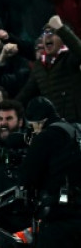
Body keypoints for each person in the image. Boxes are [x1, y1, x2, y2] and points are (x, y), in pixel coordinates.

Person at [19, 97, 81, 246]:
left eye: (33, 126)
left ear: (40, 122)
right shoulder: (76, 130)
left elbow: (28, 177)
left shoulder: (46, 137)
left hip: (60, 214)